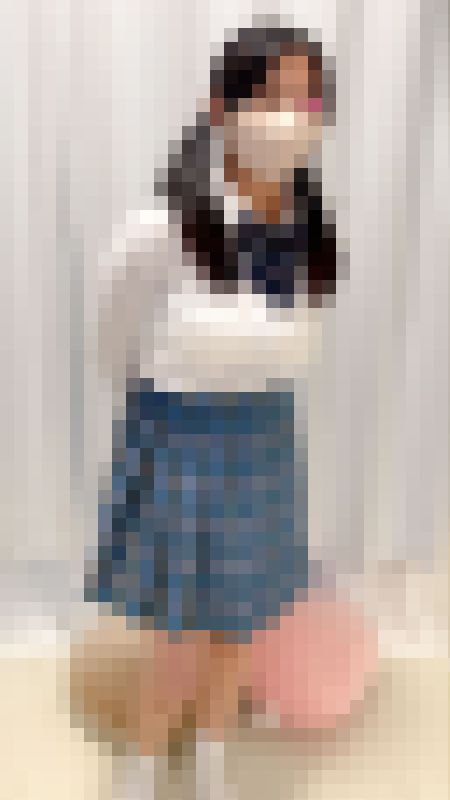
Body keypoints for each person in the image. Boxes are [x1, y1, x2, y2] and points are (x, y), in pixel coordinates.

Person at [72, 23, 375, 756]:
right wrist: (158, 405)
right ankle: (146, 758)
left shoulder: (311, 233)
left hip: (266, 437)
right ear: (222, 106)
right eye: (272, 96)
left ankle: (214, 756)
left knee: (242, 619)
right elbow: (111, 333)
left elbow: (302, 340)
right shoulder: (163, 227)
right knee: (174, 629)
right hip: (177, 429)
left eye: (309, 101)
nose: (291, 118)